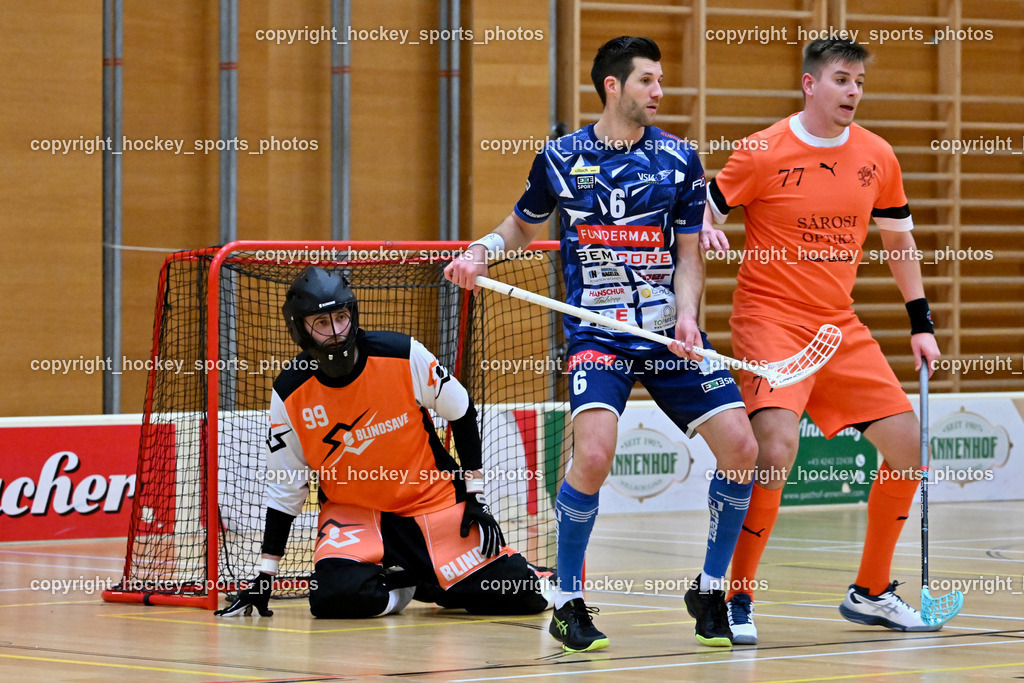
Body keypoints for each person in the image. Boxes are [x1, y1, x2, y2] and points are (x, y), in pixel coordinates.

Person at [445, 36, 757, 651]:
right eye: (647, 81)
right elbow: (520, 223)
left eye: (660, 80)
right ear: (613, 87)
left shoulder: (680, 159)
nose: (659, 92)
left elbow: (690, 250)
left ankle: (711, 587)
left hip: (669, 333)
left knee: (743, 448)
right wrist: (484, 250)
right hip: (597, 333)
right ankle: (567, 601)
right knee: (591, 456)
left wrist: (690, 318)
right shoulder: (561, 158)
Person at [700, 38, 946, 645]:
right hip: (770, 320)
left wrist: (921, 322)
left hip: (839, 326)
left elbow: (897, 241)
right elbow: (703, 214)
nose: (853, 92)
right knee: (775, 451)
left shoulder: (878, 156)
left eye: (859, 82)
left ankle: (872, 591)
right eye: (842, 80)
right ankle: (738, 596)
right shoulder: (762, 150)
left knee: (910, 449)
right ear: (810, 85)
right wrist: (706, 234)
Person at [216, 266, 552, 620]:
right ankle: (412, 581)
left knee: (516, 594)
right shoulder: (289, 393)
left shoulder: (403, 354)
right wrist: (266, 575)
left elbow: (462, 410)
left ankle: (482, 577)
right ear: (300, 329)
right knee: (332, 599)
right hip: (353, 514)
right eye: (321, 323)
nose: (336, 333)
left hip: (431, 503)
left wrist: (475, 495)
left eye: (341, 318)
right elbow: (286, 489)